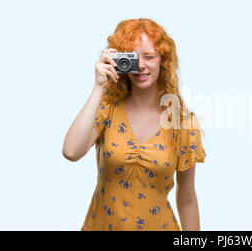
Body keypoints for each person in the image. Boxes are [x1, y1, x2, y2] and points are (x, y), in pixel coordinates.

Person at [62, 18, 207, 231]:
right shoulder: (107, 109)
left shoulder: (182, 122)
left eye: (149, 57)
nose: (140, 66)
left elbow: (187, 198)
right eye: (132, 57)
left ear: (162, 60)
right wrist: (99, 87)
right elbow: (71, 151)